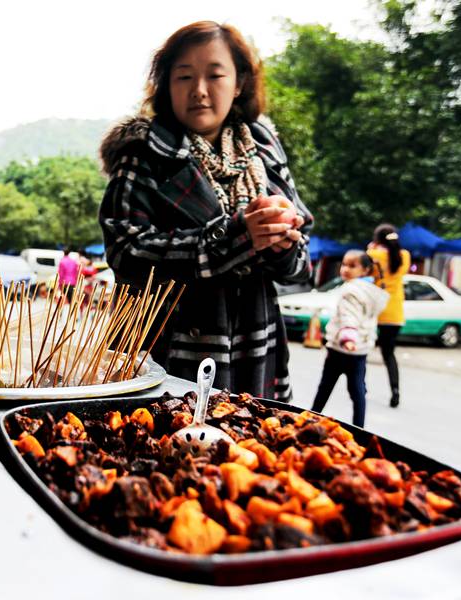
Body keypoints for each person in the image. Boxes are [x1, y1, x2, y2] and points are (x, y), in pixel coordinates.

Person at [99, 21, 313, 399]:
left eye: (215, 75)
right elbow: (125, 252)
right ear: (166, 84)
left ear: (240, 82)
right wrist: (237, 237)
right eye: (184, 77)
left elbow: (300, 266)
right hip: (167, 348)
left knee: (249, 448)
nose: (199, 91)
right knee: (158, 447)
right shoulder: (144, 151)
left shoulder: (264, 148)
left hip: (255, 349)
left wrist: (281, 240)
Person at [310, 251, 389, 428]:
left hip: (342, 347)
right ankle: (359, 428)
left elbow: (349, 317)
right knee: (357, 391)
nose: (345, 269)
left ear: (365, 270)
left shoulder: (350, 291)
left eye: (352, 266)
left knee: (325, 388)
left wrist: (348, 337)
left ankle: (309, 420)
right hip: (360, 350)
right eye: (344, 264)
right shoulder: (370, 292)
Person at [368, 224, 411, 408]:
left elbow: (368, 269)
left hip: (376, 309)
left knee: (362, 350)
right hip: (395, 312)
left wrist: (372, 248)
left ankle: (361, 387)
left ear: (377, 239)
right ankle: (395, 391)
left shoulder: (374, 254)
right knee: (389, 354)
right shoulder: (405, 256)